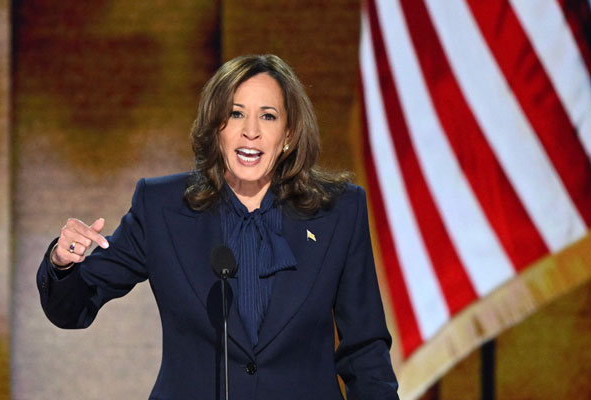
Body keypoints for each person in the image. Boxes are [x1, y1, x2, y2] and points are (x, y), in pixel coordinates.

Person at [37, 54, 399, 399]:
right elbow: (73, 309)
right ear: (216, 128)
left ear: (289, 135)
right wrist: (62, 263)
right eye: (235, 114)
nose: (251, 132)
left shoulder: (338, 211)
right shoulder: (161, 207)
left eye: (268, 116)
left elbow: (364, 349)